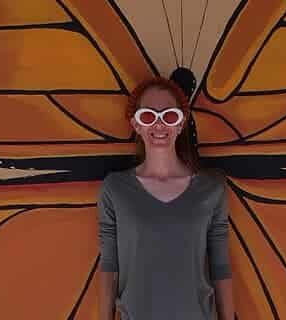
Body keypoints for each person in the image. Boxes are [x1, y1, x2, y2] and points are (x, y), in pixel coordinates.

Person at [97, 77, 235, 320]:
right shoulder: (115, 190)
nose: (159, 124)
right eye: (148, 116)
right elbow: (109, 268)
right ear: (136, 125)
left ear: (181, 124)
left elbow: (220, 267)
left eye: (169, 116)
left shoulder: (211, 190)